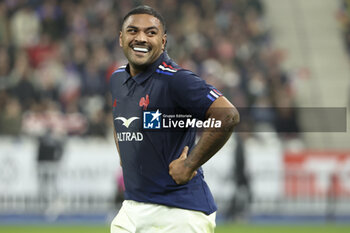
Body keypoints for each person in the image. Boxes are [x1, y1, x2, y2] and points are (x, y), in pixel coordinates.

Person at [110, 5, 239, 233]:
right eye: (133, 31)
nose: (141, 38)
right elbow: (120, 115)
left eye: (151, 32)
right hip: (132, 208)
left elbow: (227, 114)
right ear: (121, 38)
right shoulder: (117, 78)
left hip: (178, 212)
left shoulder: (176, 80)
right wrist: (126, 155)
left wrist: (190, 164)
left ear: (163, 41)